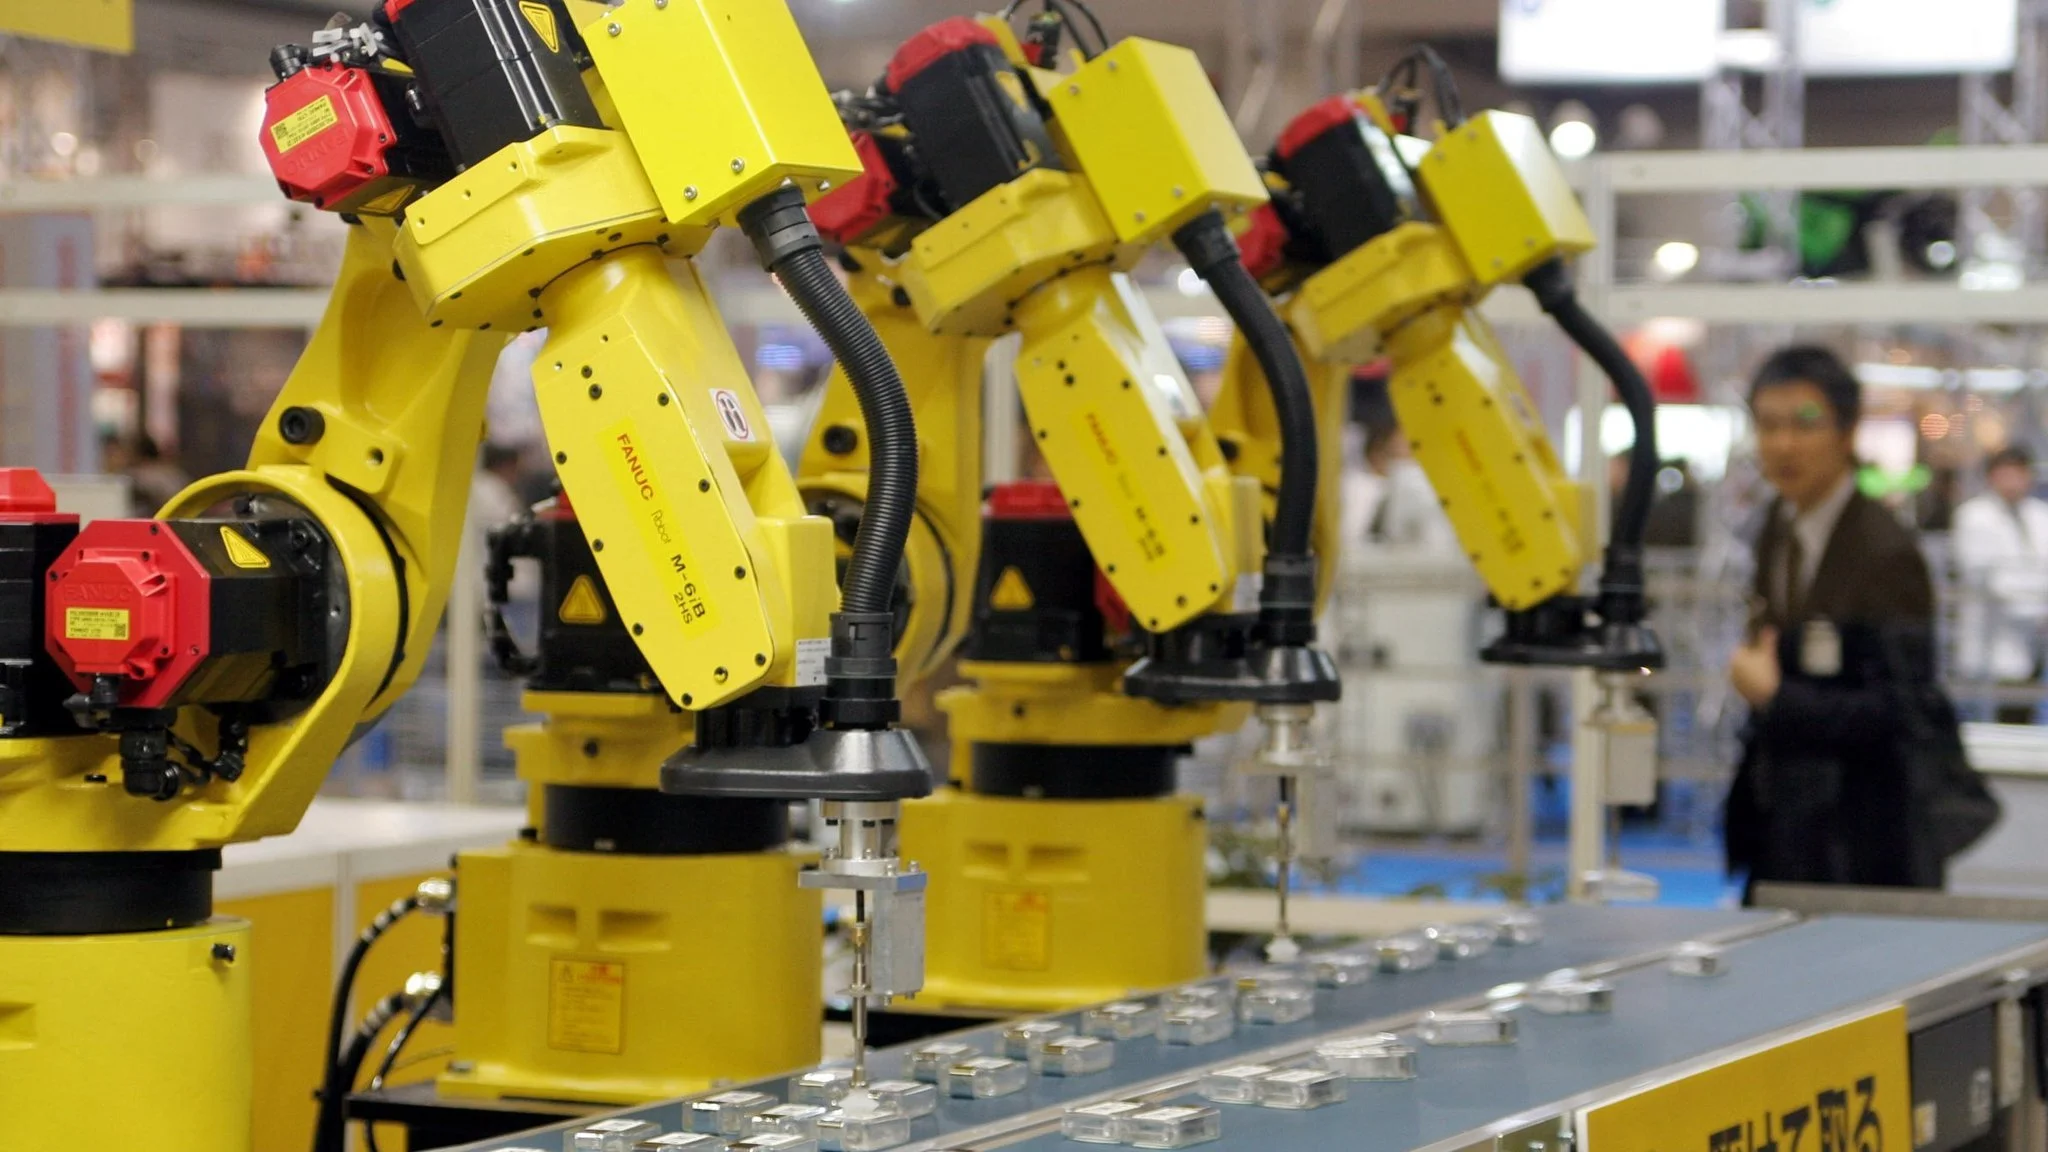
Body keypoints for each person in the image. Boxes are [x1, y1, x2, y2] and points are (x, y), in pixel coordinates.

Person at [1723, 345, 1940, 896]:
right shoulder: (1775, 525)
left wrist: (1776, 696)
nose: (1784, 444)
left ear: (1847, 432)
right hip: (1785, 830)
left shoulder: (1884, 551)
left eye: (1805, 423)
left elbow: (1906, 710)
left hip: (1862, 844)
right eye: (1768, 425)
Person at [1951, 446, 2048, 723]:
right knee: (1991, 718)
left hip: (2034, 643)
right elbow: (1987, 580)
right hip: (1993, 641)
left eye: (2019, 474)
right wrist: (2038, 611)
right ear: (1991, 477)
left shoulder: (2040, 515)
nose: (2013, 481)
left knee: (2023, 717)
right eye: (2006, 474)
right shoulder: (1974, 516)